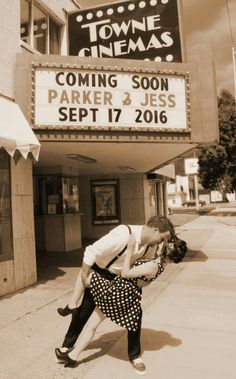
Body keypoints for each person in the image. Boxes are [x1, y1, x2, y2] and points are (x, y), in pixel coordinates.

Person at [55, 216, 174, 375]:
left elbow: (143, 267)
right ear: (155, 230)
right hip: (100, 271)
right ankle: (67, 346)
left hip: (119, 280)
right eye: (162, 238)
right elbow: (92, 250)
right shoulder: (124, 234)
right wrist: (84, 275)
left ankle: (135, 356)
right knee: (84, 311)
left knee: (135, 317)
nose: (160, 242)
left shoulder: (150, 246)